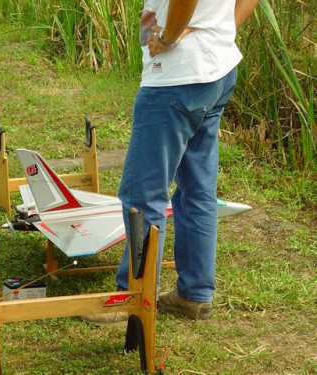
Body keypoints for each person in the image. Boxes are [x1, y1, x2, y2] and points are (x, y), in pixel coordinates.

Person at [81, 0, 258, 324]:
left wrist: (168, 38)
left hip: (177, 76)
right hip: (215, 69)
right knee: (197, 190)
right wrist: (220, 32)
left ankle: (132, 296)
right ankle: (194, 295)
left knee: (143, 196)